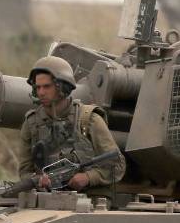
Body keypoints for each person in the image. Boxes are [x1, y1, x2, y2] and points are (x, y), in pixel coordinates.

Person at [17, 56, 125, 195]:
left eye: (47, 86)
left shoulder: (89, 120)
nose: (41, 92)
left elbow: (117, 166)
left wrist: (88, 177)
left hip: (91, 202)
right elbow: (25, 171)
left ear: (62, 87)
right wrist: (38, 180)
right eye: (37, 87)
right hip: (48, 200)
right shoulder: (31, 123)